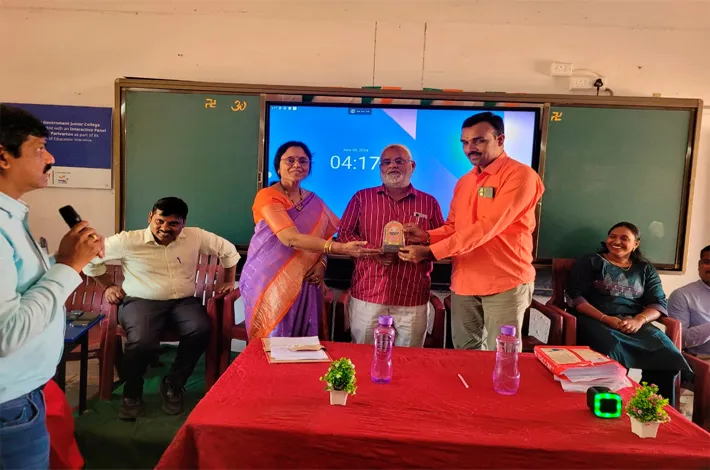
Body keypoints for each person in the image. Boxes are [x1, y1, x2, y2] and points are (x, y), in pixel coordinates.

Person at [0, 104, 103, 469]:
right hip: (8, 405)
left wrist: (66, 259)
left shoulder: (12, 216)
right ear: (3, 157)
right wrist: (69, 265)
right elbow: (7, 333)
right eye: (40, 148)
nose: (50, 158)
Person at [83, 197, 240, 420]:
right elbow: (90, 259)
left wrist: (229, 280)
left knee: (201, 329)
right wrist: (108, 285)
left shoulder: (196, 236)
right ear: (150, 217)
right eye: (160, 221)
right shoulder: (127, 240)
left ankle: (173, 383)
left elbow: (229, 251)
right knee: (142, 340)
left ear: (184, 223)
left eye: (173, 223)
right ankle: (132, 392)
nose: (165, 228)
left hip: (183, 302)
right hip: (140, 301)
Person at [399, 112, 544, 351]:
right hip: (464, 281)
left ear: (500, 139)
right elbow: (454, 227)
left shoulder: (521, 176)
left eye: (479, 140)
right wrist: (427, 236)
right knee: (465, 353)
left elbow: (487, 227)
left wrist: (431, 252)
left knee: (502, 355)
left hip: (505, 281)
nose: (470, 149)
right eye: (465, 142)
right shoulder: (465, 182)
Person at [240, 141, 379, 340]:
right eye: (290, 160)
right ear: (278, 166)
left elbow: (328, 232)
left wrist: (322, 262)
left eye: (303, 161)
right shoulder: (268, 196)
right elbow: (290, 238)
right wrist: (339, 248)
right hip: (270, 281)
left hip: (306, 279)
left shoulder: (314, 200)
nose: (297, 164)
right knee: (273, 340)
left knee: (303, 343)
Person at [566, 222, 692, 404]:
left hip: (633, 323)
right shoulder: (591, 262)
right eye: (612, 236)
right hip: (595, 319)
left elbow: (658, 303)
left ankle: (650, 406)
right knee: (611, 350)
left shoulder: (645, 269)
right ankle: (608, 405)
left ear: (635, 244)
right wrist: (606, 318)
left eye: (624, 238)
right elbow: (575, 297)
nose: (616, 241)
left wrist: (638, 320)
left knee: (667, 353)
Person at [338, 144, 445, 346]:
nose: (392, 166)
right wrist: (372, 252)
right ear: (380, 168)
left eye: (399, 161)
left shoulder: (429, 202)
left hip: (412, 297)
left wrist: (423, 248)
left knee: (409, 360)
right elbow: (344, 234)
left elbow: (443, 242)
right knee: (363, 357)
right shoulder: (362, 197)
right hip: (369, 294)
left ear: (412, 165)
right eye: (386, 162)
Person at [668, 245, 710, 357]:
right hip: (702, 359)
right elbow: (679, 339)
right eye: (707, 262)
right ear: (699, 265)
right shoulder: (682, 295)